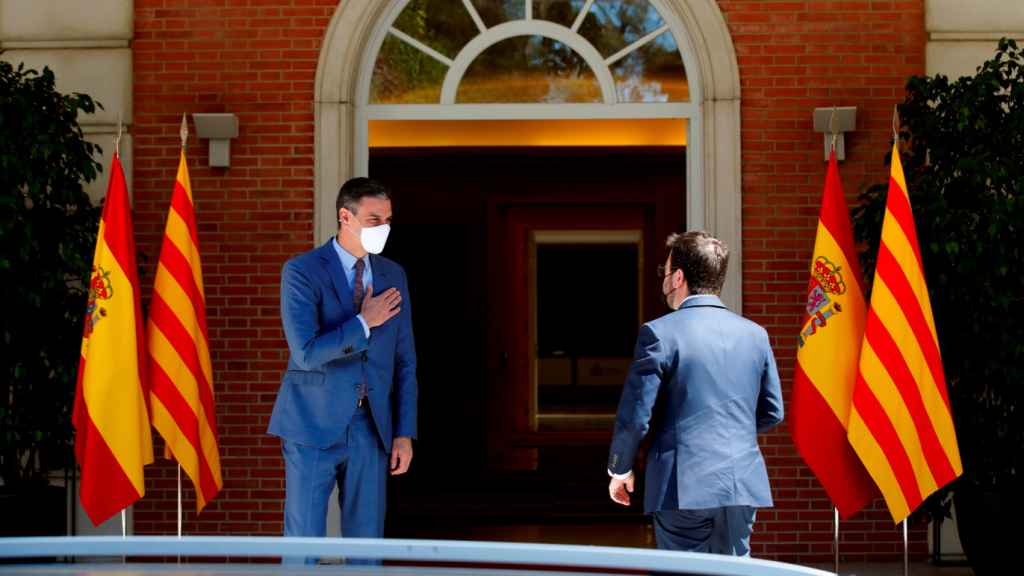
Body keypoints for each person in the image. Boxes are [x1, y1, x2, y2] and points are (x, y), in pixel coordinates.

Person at [606, 230, 783, 556]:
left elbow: (635, 417)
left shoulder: (658, 333)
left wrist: (620, 468)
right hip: (740, 481)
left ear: (678, 277)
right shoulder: (755, 334)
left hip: (682, 483)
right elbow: (773, 410)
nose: (664, 278)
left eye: (666, 271)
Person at [268, 177, 417, 561]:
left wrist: (404, 433)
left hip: (372, 428)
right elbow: (305, 352)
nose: (383, 228)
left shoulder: (392, 274)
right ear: (345, 216)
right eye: (373, 219)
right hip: (311, 424)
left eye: (387, 219)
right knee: (303, 546)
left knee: (367, 549)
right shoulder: (301, 271)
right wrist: (364, 323)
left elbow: (405, 362)